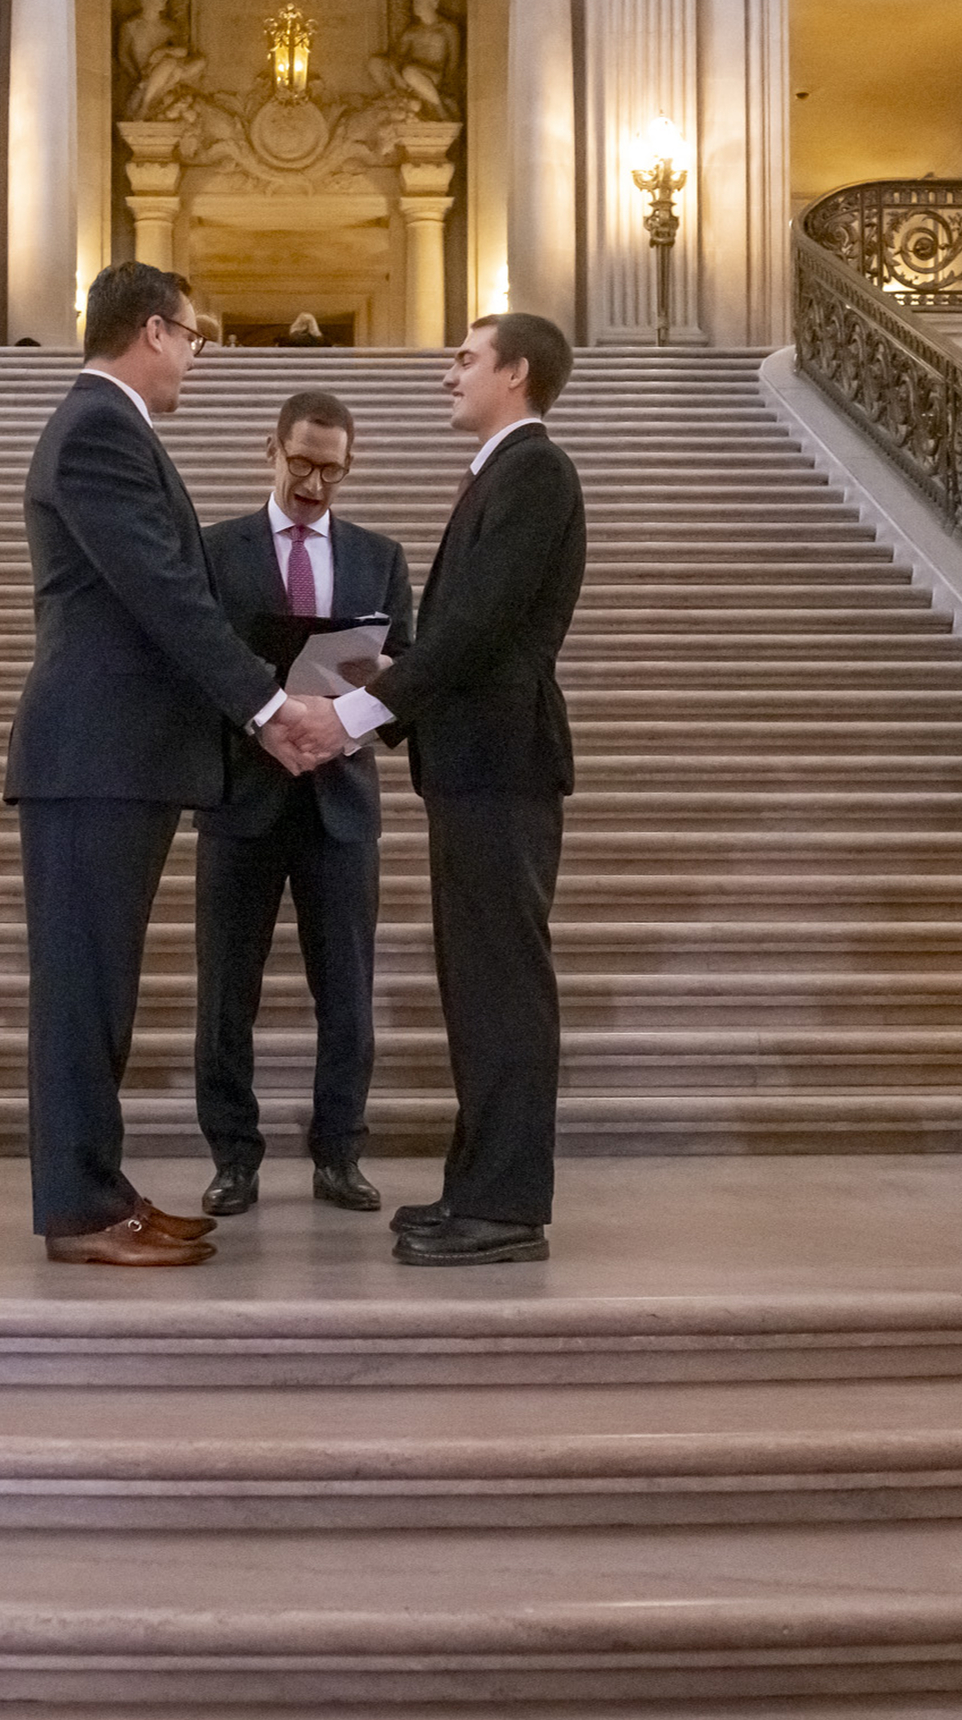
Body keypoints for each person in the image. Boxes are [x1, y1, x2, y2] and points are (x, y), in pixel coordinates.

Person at [5, 261, 338, 1267]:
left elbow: (169, 592)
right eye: (192, 334)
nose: (196, 352)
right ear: (154, 330)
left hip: (121, 756)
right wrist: (270, 704)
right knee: (80, 989)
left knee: (98, 989)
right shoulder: (100, 429)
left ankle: (98, 1189)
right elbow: (161, 592)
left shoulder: (108, 428)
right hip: (95, 755)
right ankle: (79, 1208)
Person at [294, 315, 586, 1268]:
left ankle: (505, 1206)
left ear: (518, 372)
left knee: (501, 987)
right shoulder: (503, 473)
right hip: (477, 766)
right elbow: (462, 630)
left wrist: (355, 715)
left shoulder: (535, 471)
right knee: (477, 985)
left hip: (502, 767)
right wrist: (391, 667)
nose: (447, 372)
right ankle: (478, 1187)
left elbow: (479, 635)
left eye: (465, 357)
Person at [193, 391, 416, 1218]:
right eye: (302, 465)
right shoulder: (217, 550)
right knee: (226, 991)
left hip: (340, 797)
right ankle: (234, 1158)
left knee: (347, 988)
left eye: (333, 470)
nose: (316, 484)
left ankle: (339, 1154)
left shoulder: (378, 557)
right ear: (271, 451)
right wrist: (263, 716)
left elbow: (403, 669)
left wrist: (348, 717)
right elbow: (196, 659)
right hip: (241, 794)